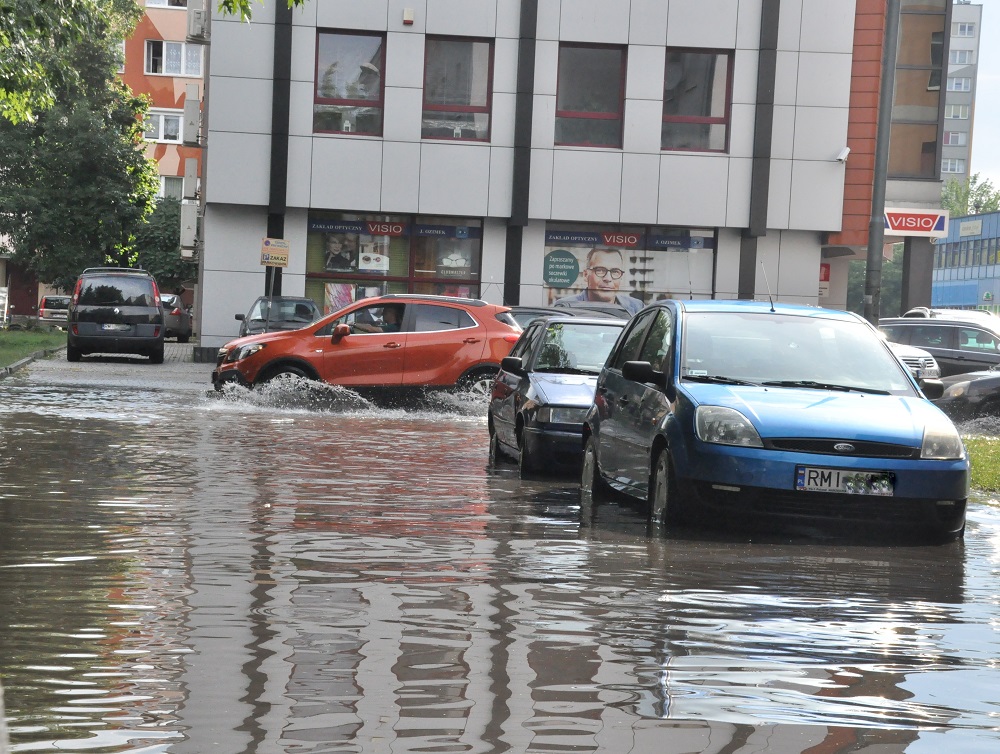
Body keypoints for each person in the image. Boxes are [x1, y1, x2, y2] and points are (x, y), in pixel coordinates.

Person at [555, 246, 643, 315]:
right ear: (586, 275)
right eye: (600, 270)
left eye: (615, 272)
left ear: (621, 276)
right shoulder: (565, 307)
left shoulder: (636, 307)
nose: (608, 279)